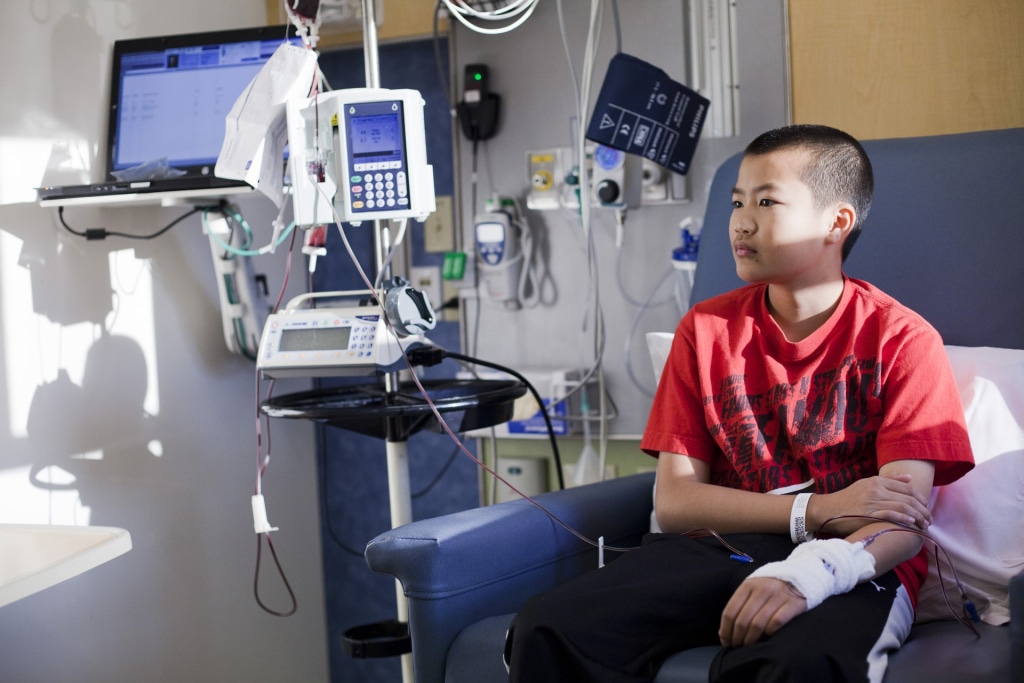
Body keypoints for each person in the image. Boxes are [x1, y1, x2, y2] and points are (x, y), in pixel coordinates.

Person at [504, 124, 975, 683]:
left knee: (800, 664)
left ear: (837, 222)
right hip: (719, 549)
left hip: (852, 563)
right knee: (549, 627)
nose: (741, 221)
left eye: (766, 201)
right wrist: (815, 509)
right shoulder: (704, 331)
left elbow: (900, 523)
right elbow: (676, 501)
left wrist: (811, 572)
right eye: (736, 202)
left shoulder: (902, 340)